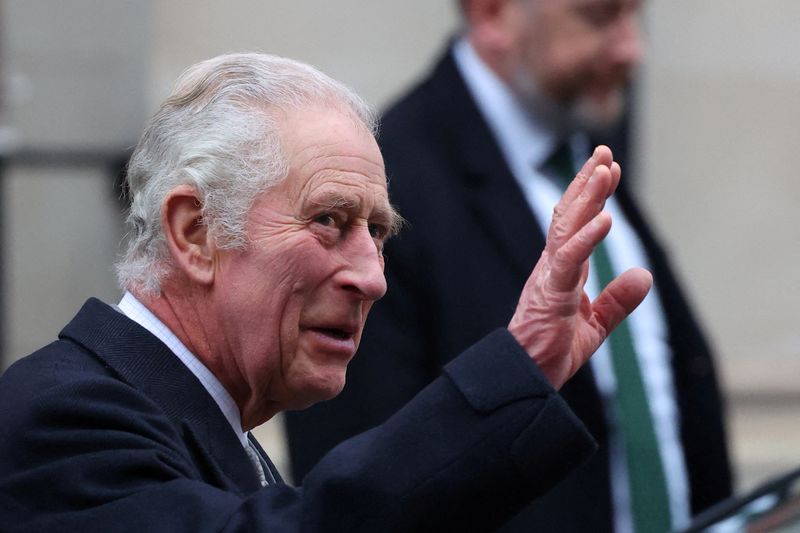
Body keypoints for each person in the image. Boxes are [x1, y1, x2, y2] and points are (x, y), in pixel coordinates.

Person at [0, 52, 652, 532]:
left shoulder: (221, 432)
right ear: (195, 232)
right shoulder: (60, 419)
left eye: (377, 231)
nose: (373, 277)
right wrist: (518, 366)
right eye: (329, 222)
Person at [285, 0, 733, 531]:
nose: (632, 48)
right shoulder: (383, 190)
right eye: (599, 16)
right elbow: (353, 483)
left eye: (635, 17)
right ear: (493, 14)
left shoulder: (583, 150)